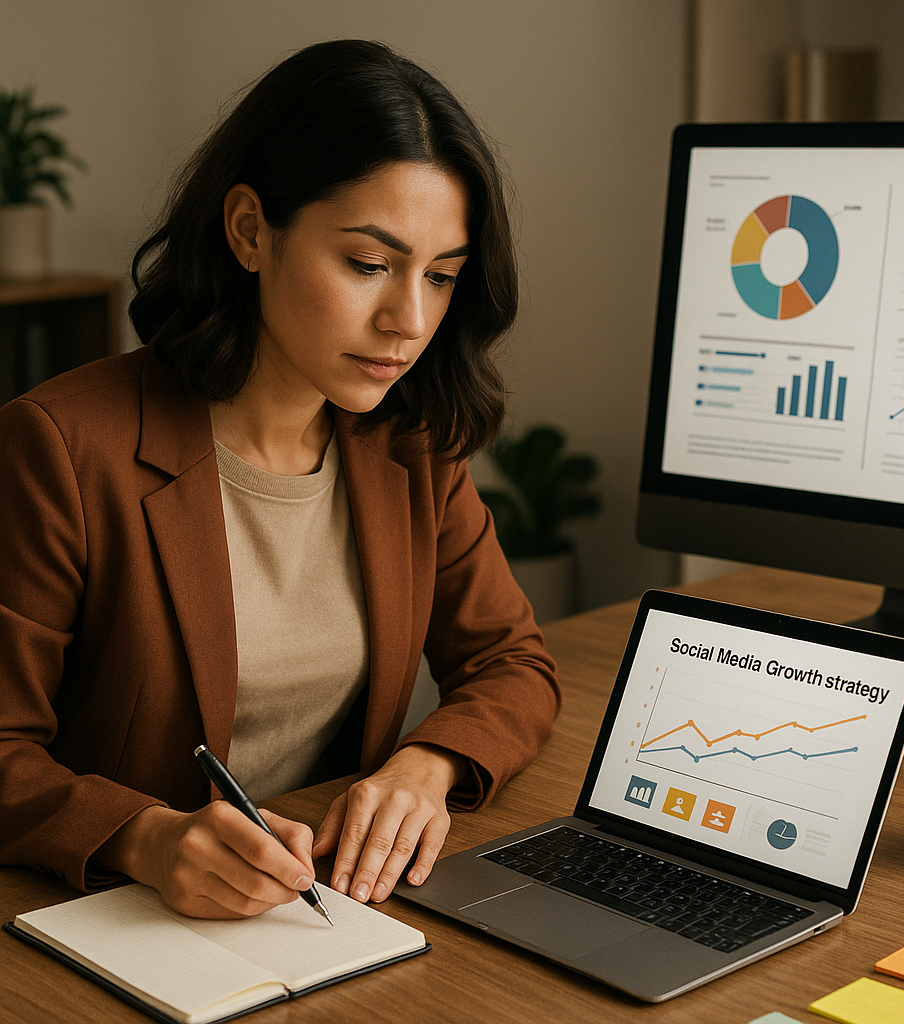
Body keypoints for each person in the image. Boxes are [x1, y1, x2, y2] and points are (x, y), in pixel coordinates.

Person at [0, 39, 559, 920]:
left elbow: (511, 662)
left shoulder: (411, 441)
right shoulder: (62, 446)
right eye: (369, 264)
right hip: (115, 917)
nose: (409, 321)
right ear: (251, 231)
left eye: (442, 276)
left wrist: (427, 765)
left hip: (328, 913)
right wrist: (143, 835)